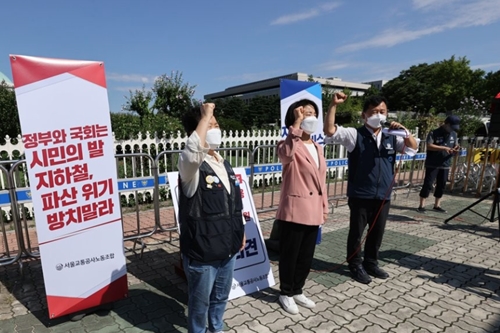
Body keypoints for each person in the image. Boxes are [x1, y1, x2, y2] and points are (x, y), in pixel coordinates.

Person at [324, 94, 418, 285]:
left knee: (377, 231)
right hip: (361, 193)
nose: (378, 115)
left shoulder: (392, 136)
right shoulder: (354, 134)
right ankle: (355, 264)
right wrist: (333, 105)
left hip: (383, 194)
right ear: (364, 115)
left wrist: (405, 132)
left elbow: (412, 148)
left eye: (382, 111)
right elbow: (330, 131)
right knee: (357, 232)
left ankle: (371, 262)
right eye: (373, 112)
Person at [178, 103, 246, 333]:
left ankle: (216, 329)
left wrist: (241, 232)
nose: (215, 129)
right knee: (199, 305)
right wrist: (205, 114)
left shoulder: (221, 161)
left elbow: (234, 203)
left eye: (217, 124)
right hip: (203, 252)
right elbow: (193, 150)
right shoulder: (191, 167)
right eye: (210, 124)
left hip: (228, 248)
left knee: (220, 298)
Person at [276, 99, 328, 314]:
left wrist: (324, 207)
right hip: (295, 209)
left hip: (314, 209)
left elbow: (321, 181)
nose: (312, 117)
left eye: (314, 112)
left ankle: (298, 289)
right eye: (306, 113)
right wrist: (295, 126)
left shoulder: (317, 146)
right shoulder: (288, 143)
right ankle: (285, 292)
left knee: (306, 255)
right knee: (290, 254)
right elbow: (286, 155)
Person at [417, 115, 460, 213]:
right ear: (447, 124)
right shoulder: (434, 132)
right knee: (428, 183)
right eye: (452, 127)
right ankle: (421, 205)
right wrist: (444, 148)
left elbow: (455, 145)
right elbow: (428, 145)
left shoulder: (453, 134)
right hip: (433, 163)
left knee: (442, 184)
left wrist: (456, 148)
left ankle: (437, 205)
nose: (453, 130)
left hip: (445, 163)